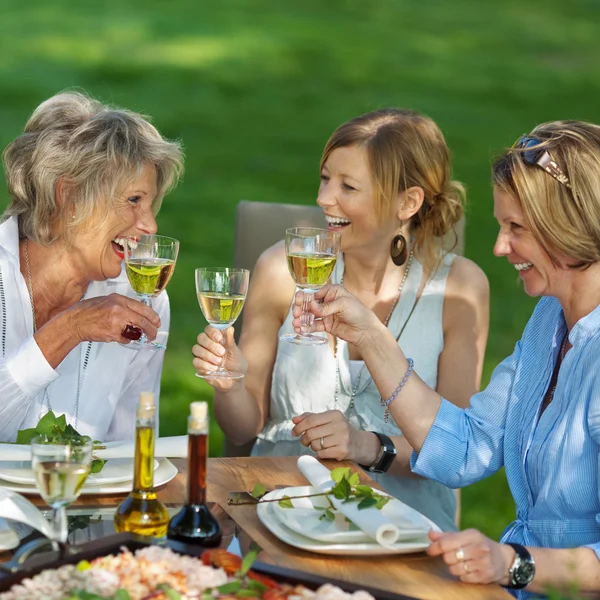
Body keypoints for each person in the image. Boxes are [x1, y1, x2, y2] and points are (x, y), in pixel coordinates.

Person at [292, 120, 600, 598]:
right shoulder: (549, 320)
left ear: (572, 228)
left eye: (516, 228)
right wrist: (372, 337)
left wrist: (513, 563)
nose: (500, 247)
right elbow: (469, 448)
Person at [193, 108, 489, 532]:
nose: (323, 198)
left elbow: (457, 444)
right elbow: (243, 426)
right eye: (325, 178)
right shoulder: (281, 269)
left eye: (348, 186)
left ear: (409, 202)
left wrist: (365, 446)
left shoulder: (461, 289)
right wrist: (230, 384)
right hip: (280, 509)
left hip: (403, 527)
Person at [0, 91, 183, 442]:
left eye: (149, 203)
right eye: (133, 200)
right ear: (68, 197)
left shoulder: (142, 298)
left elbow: (132, 446)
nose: (150, 226)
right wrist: (68, 329)